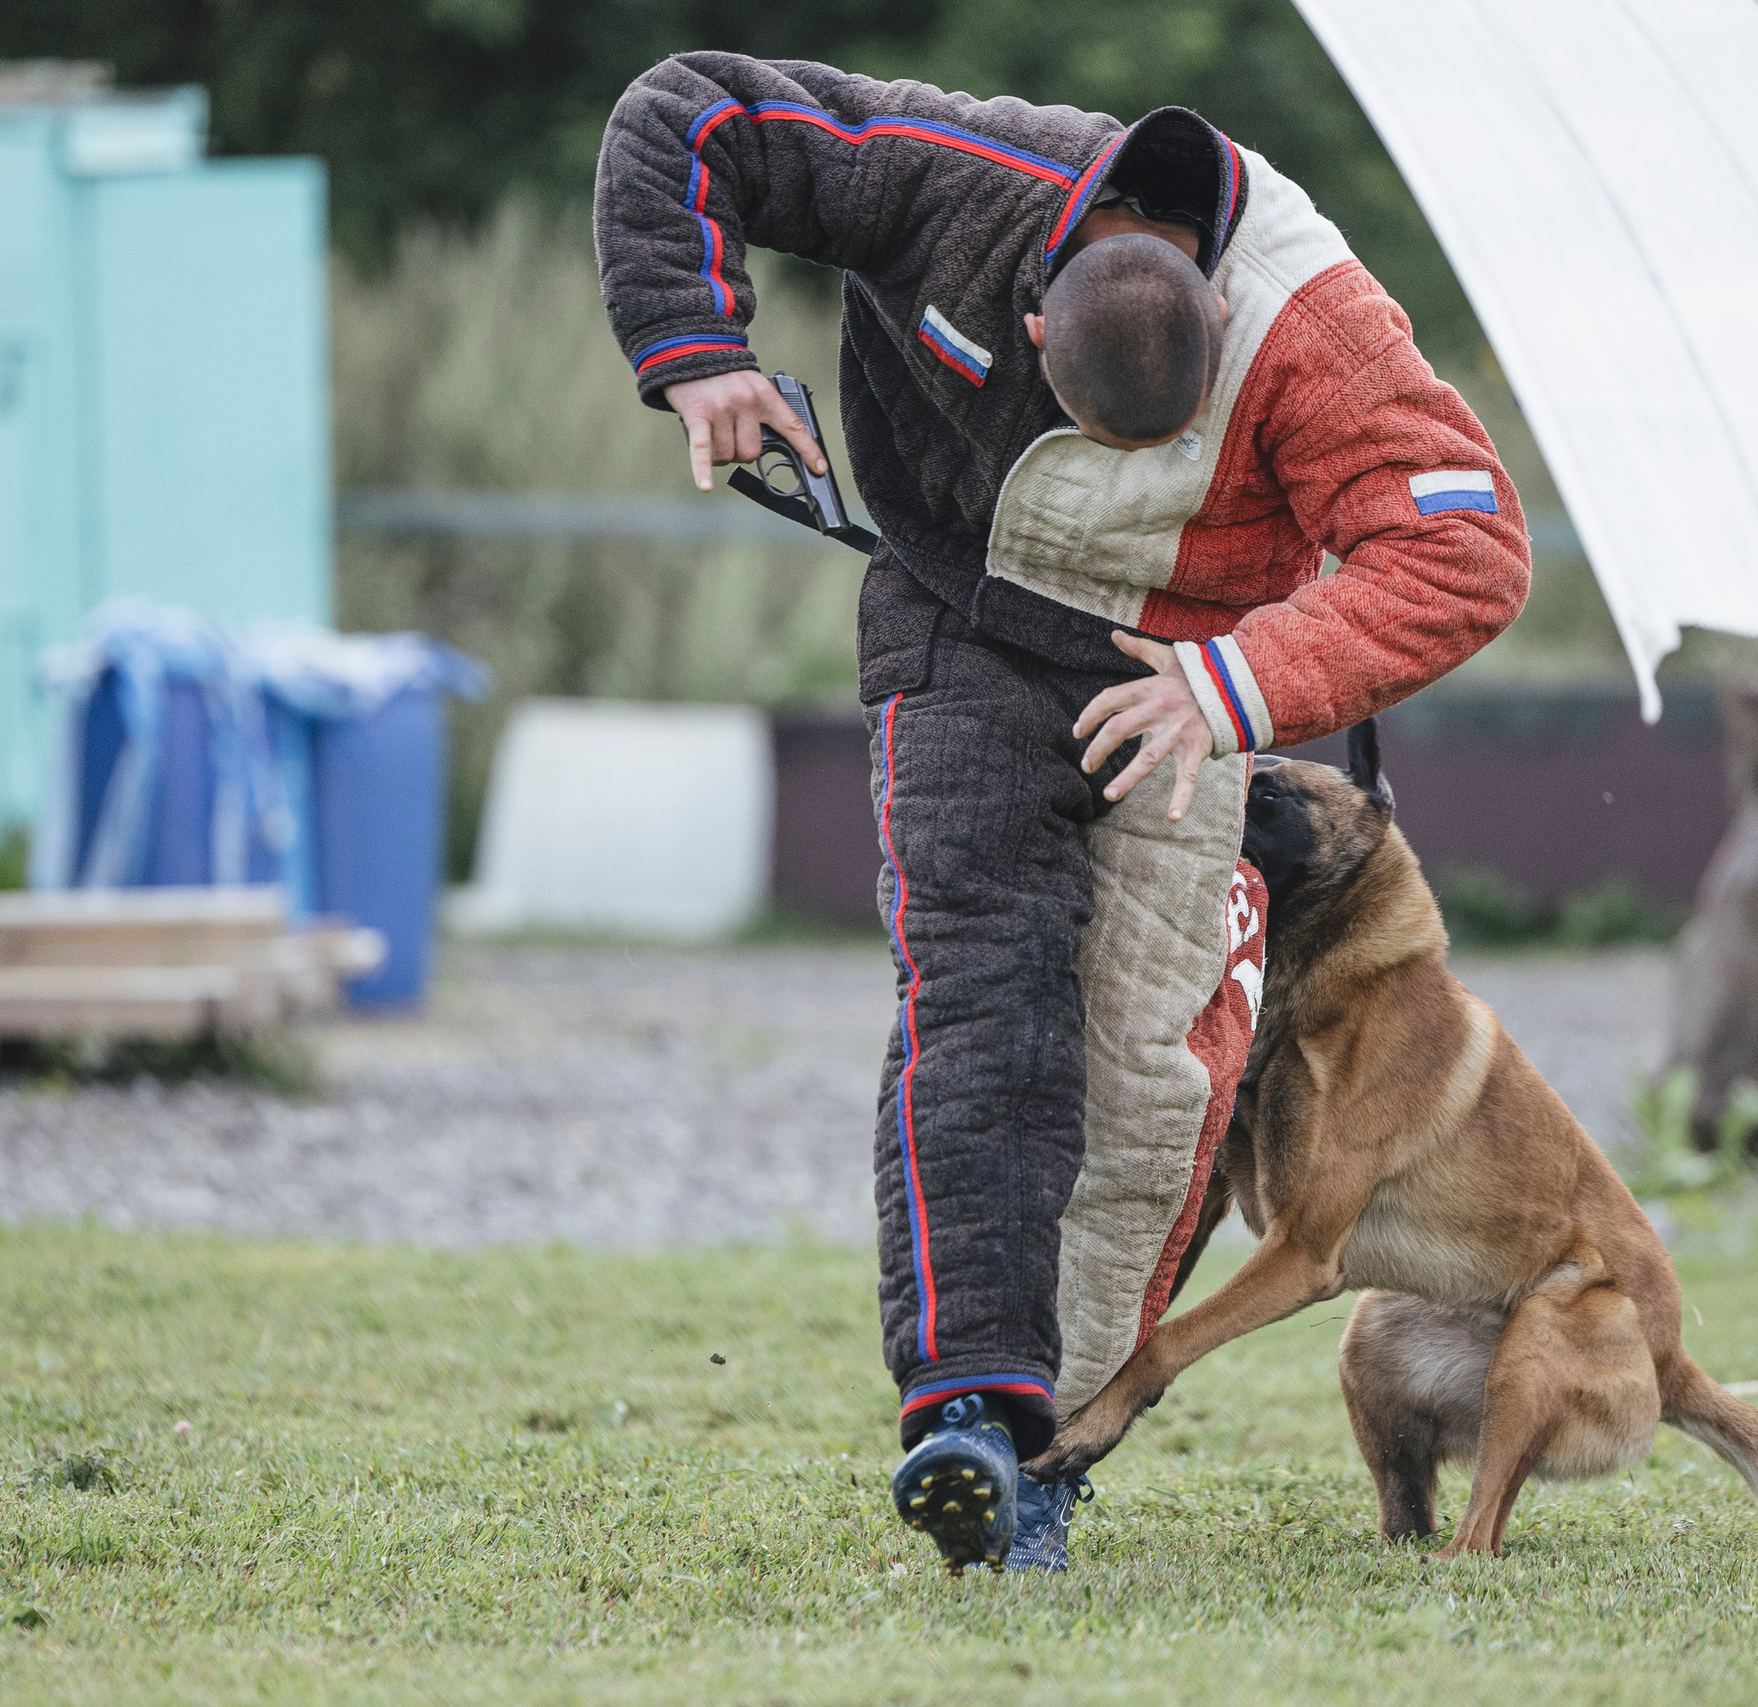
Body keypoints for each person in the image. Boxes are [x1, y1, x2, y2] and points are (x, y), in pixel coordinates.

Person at [596, 54, 1531, 1571]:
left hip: (1183, 676)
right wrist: (695, 341)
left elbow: (1472, 549)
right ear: (1034, 320)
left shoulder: (1319, 331)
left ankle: (1056, 1449)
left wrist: (1235, 686)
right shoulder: (955, 176)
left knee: (1158, 1084)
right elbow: (688, 114)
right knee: (986, 996)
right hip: (961, 627)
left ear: (1223, 326)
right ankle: (973, 1415)